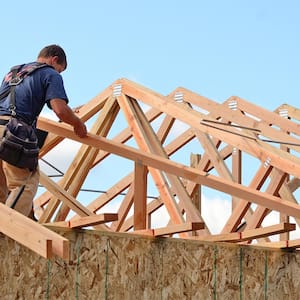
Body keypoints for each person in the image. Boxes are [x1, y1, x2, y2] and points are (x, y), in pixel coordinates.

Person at [0, 44, 87, 219]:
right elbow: (60, 109)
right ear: (54, 59)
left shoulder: (14, 73)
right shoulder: (50, 73)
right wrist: (77, 123)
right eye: (60, 70)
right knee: (25, 183)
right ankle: (7, 230)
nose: (59, 73)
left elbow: (19, 104)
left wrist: (66, 116)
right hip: (14, 131)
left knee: (2, 189)